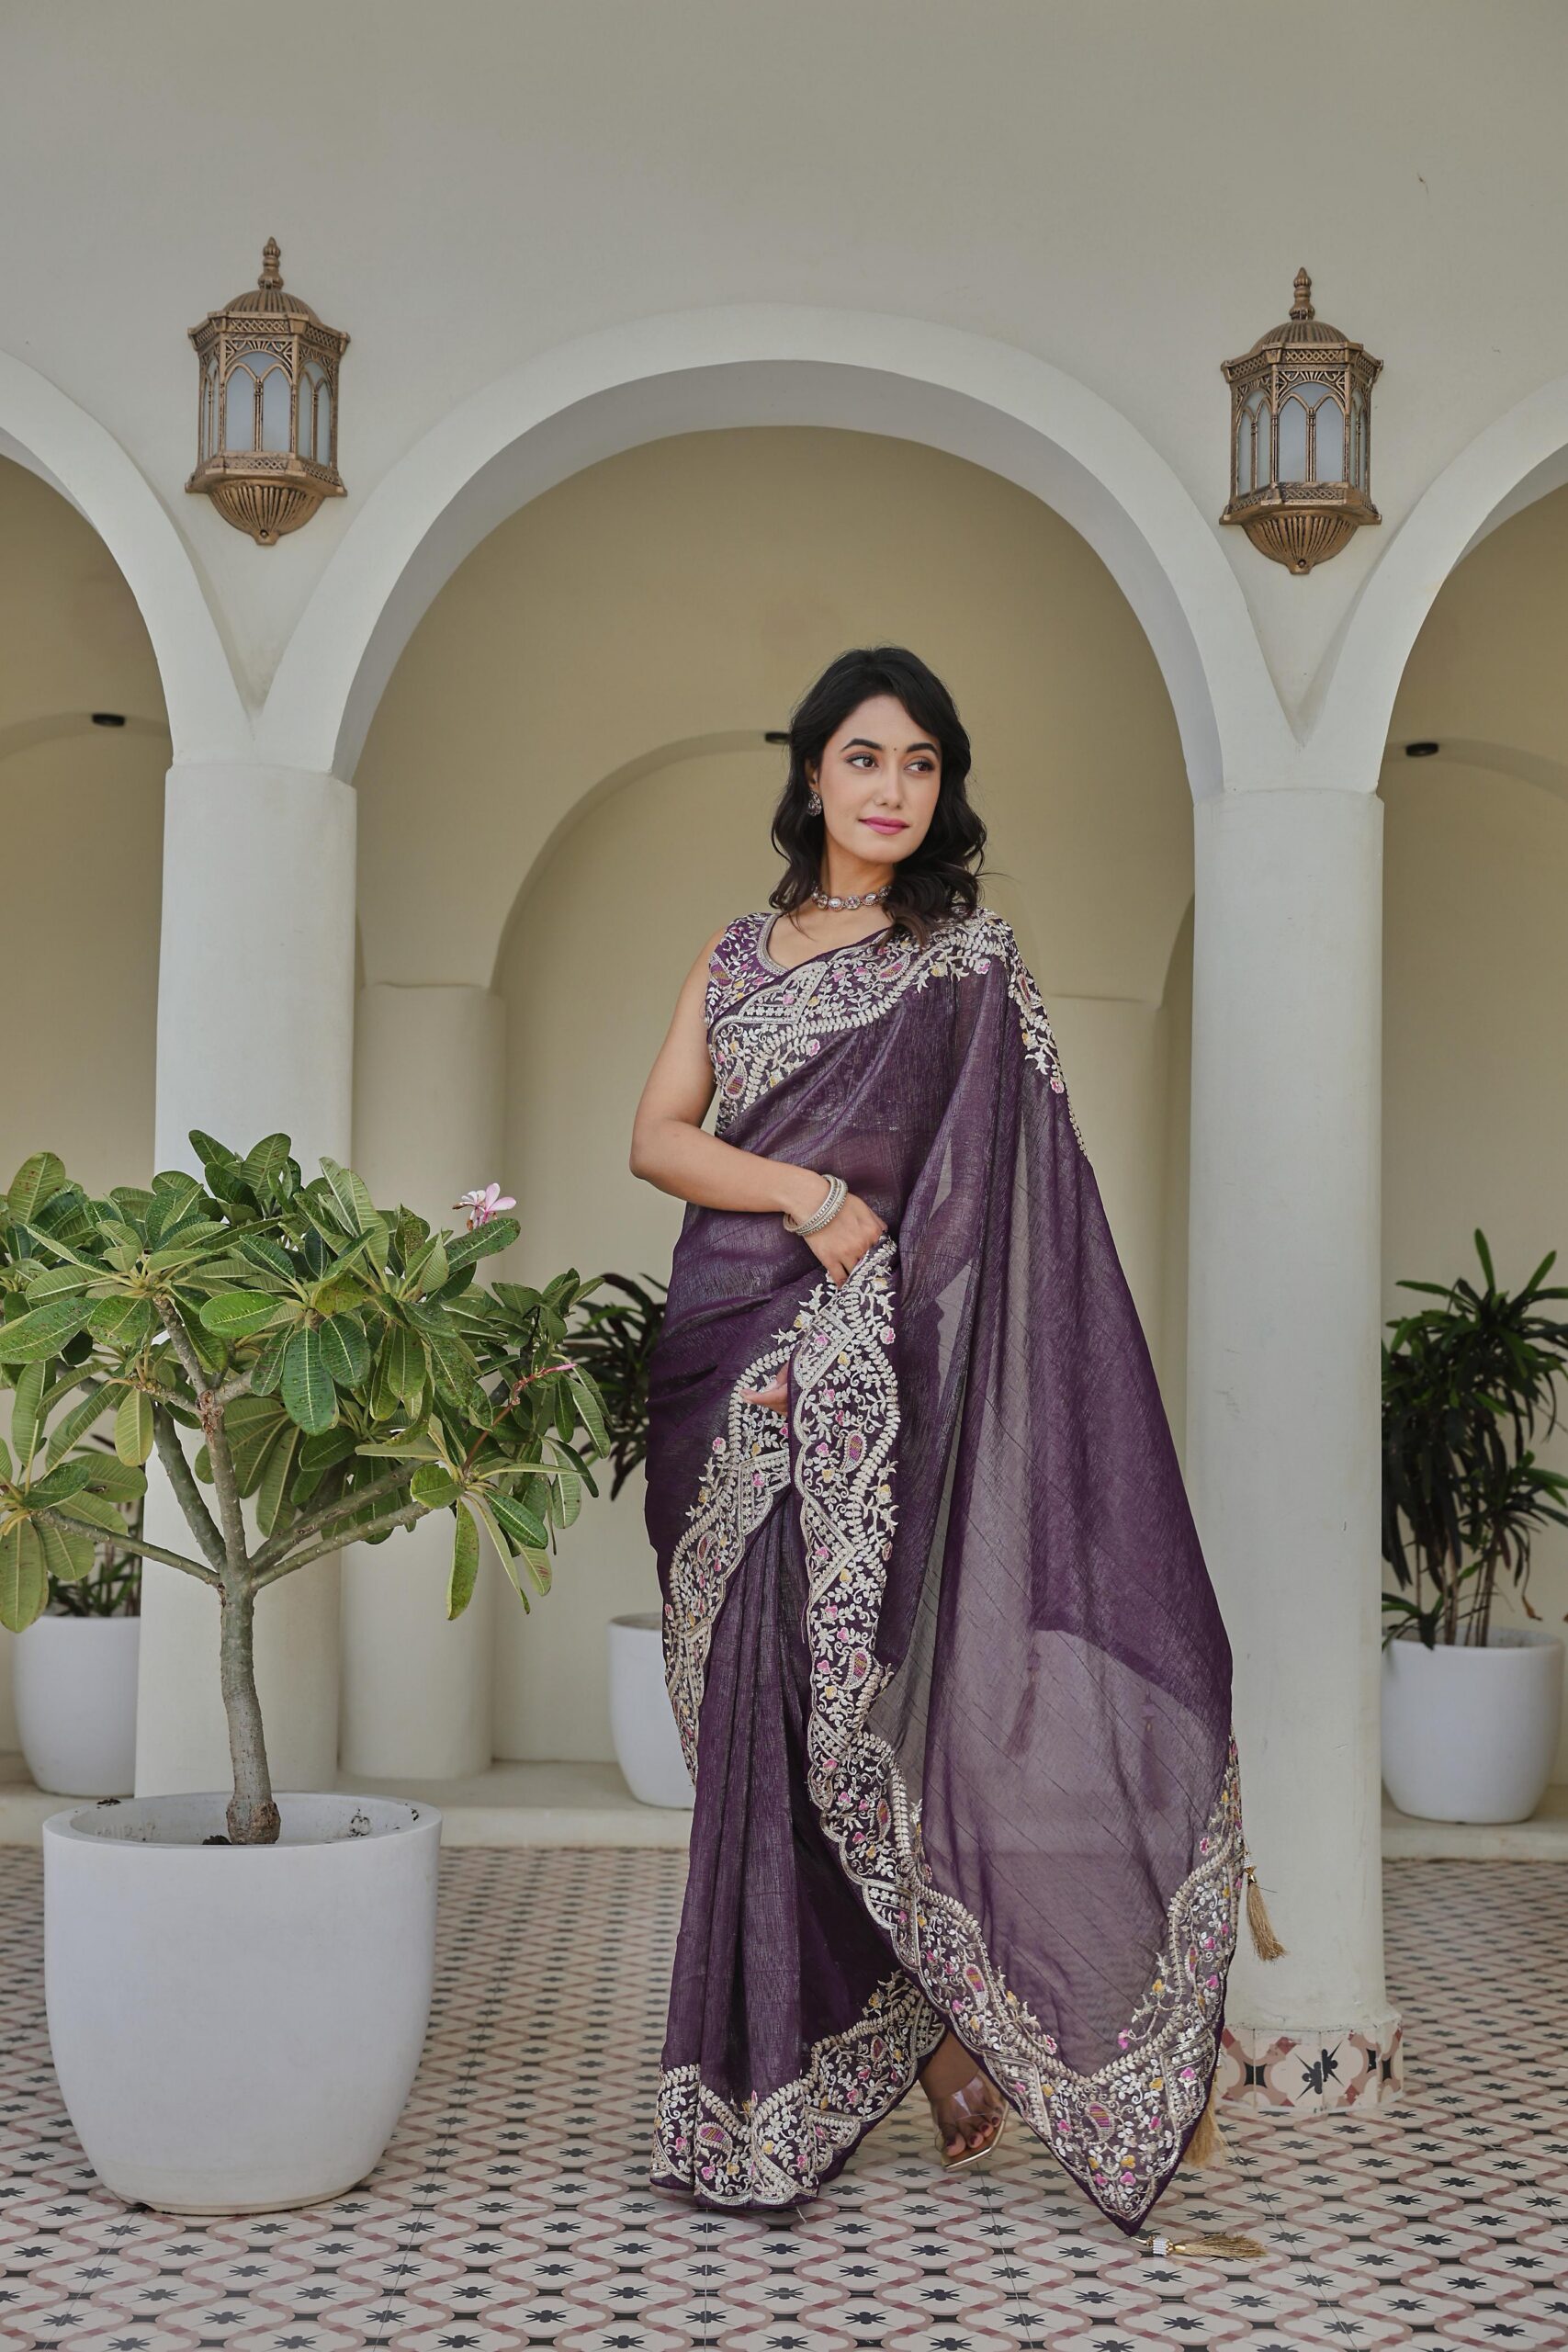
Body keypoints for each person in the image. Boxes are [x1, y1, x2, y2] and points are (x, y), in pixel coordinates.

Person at [628, 644, 1277, 2236]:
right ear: (811, 774)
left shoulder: (965, 964)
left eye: (921, 764)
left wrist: (860, 1327)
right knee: (752, 1727)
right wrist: (808, 1196)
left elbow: (1002, 1208)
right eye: (865, 758)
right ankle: (865, 2047)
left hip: (860, 1381)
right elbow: (657, 1138)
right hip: (717, 1365)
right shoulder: (733, 949)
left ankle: (923, 2033)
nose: (893, 789)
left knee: (838, 1716)